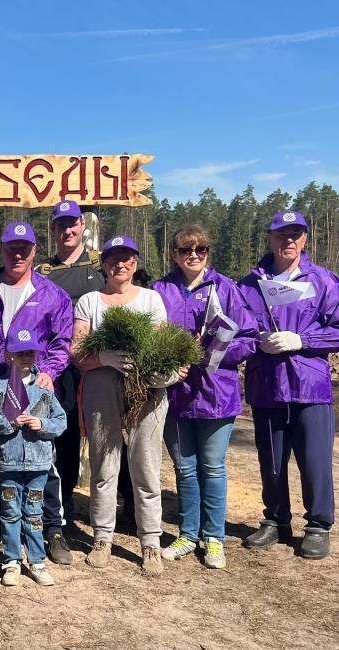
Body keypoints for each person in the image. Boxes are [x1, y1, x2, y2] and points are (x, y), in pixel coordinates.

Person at [151, 225, 258, 569]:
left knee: (212, 468)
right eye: (185, 250)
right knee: (184, 468)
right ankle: (188, 533)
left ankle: (214, 538)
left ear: (208, 252)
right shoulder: (160, 290)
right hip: (174, 393)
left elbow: (249, 338)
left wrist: (214, 351)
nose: (193, 255)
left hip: (216, 393)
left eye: (200, 249)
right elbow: (149, 339)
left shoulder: (225, 288)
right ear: (174, 254)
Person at [0, 222, 72, 555]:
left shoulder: (52, 294)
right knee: (2, 457)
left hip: (34, 388)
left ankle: (51, 530)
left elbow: (62, 340)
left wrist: (50, 373)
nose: (17, 254)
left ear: (34, 251)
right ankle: (1, 525)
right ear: (1, 249)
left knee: (44, 459)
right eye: (11, 247)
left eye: (24, 248)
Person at [237, 211, 339, 559]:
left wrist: (302, 339)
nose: (288, 241)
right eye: (281, 235)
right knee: (272, 460)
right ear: (270, 239)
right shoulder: (248, 286)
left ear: (305, 240)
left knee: (315, 461)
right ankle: (276, 520)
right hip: (267, 385)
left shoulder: (323, 281)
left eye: (296, 234)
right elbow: (237, 329)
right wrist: (256, 340)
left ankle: (318, 525)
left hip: (311, 386)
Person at [72, 235, 174, 577]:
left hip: (146, 389)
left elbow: (163, 345)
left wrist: (165, 373)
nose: (120, 264)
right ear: (104, 263)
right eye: (113, 258)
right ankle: (102, 537)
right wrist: (104, 356)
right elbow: (77, 353)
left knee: (145, 466)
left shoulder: (151, 300)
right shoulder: (90, 301)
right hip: (102, 385)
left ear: (135, 261)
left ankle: (150, 542)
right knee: (104, 463)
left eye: (127, 257)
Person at [35, 201, 114, 565]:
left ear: (83, 225)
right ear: (53, 230)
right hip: (63, 369)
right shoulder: (44, 271)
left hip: (104, 369)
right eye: (60, 225)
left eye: (72, 224)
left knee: (110, 441)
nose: (67, 230)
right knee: (63, 442)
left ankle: (119, 509)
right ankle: (60, 513)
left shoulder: (103, 264)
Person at [0, 327, 67, 587]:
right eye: (19, 353)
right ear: (8, 354)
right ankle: (11, 560)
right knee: (9, 512)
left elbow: (60, 421)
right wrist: (9, 422)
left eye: (30, 353)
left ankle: (37, 561)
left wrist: (42, 425)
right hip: (8, 464)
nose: (25, 357)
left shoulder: (44, 388)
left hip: (39, 465)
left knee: (33, 512)